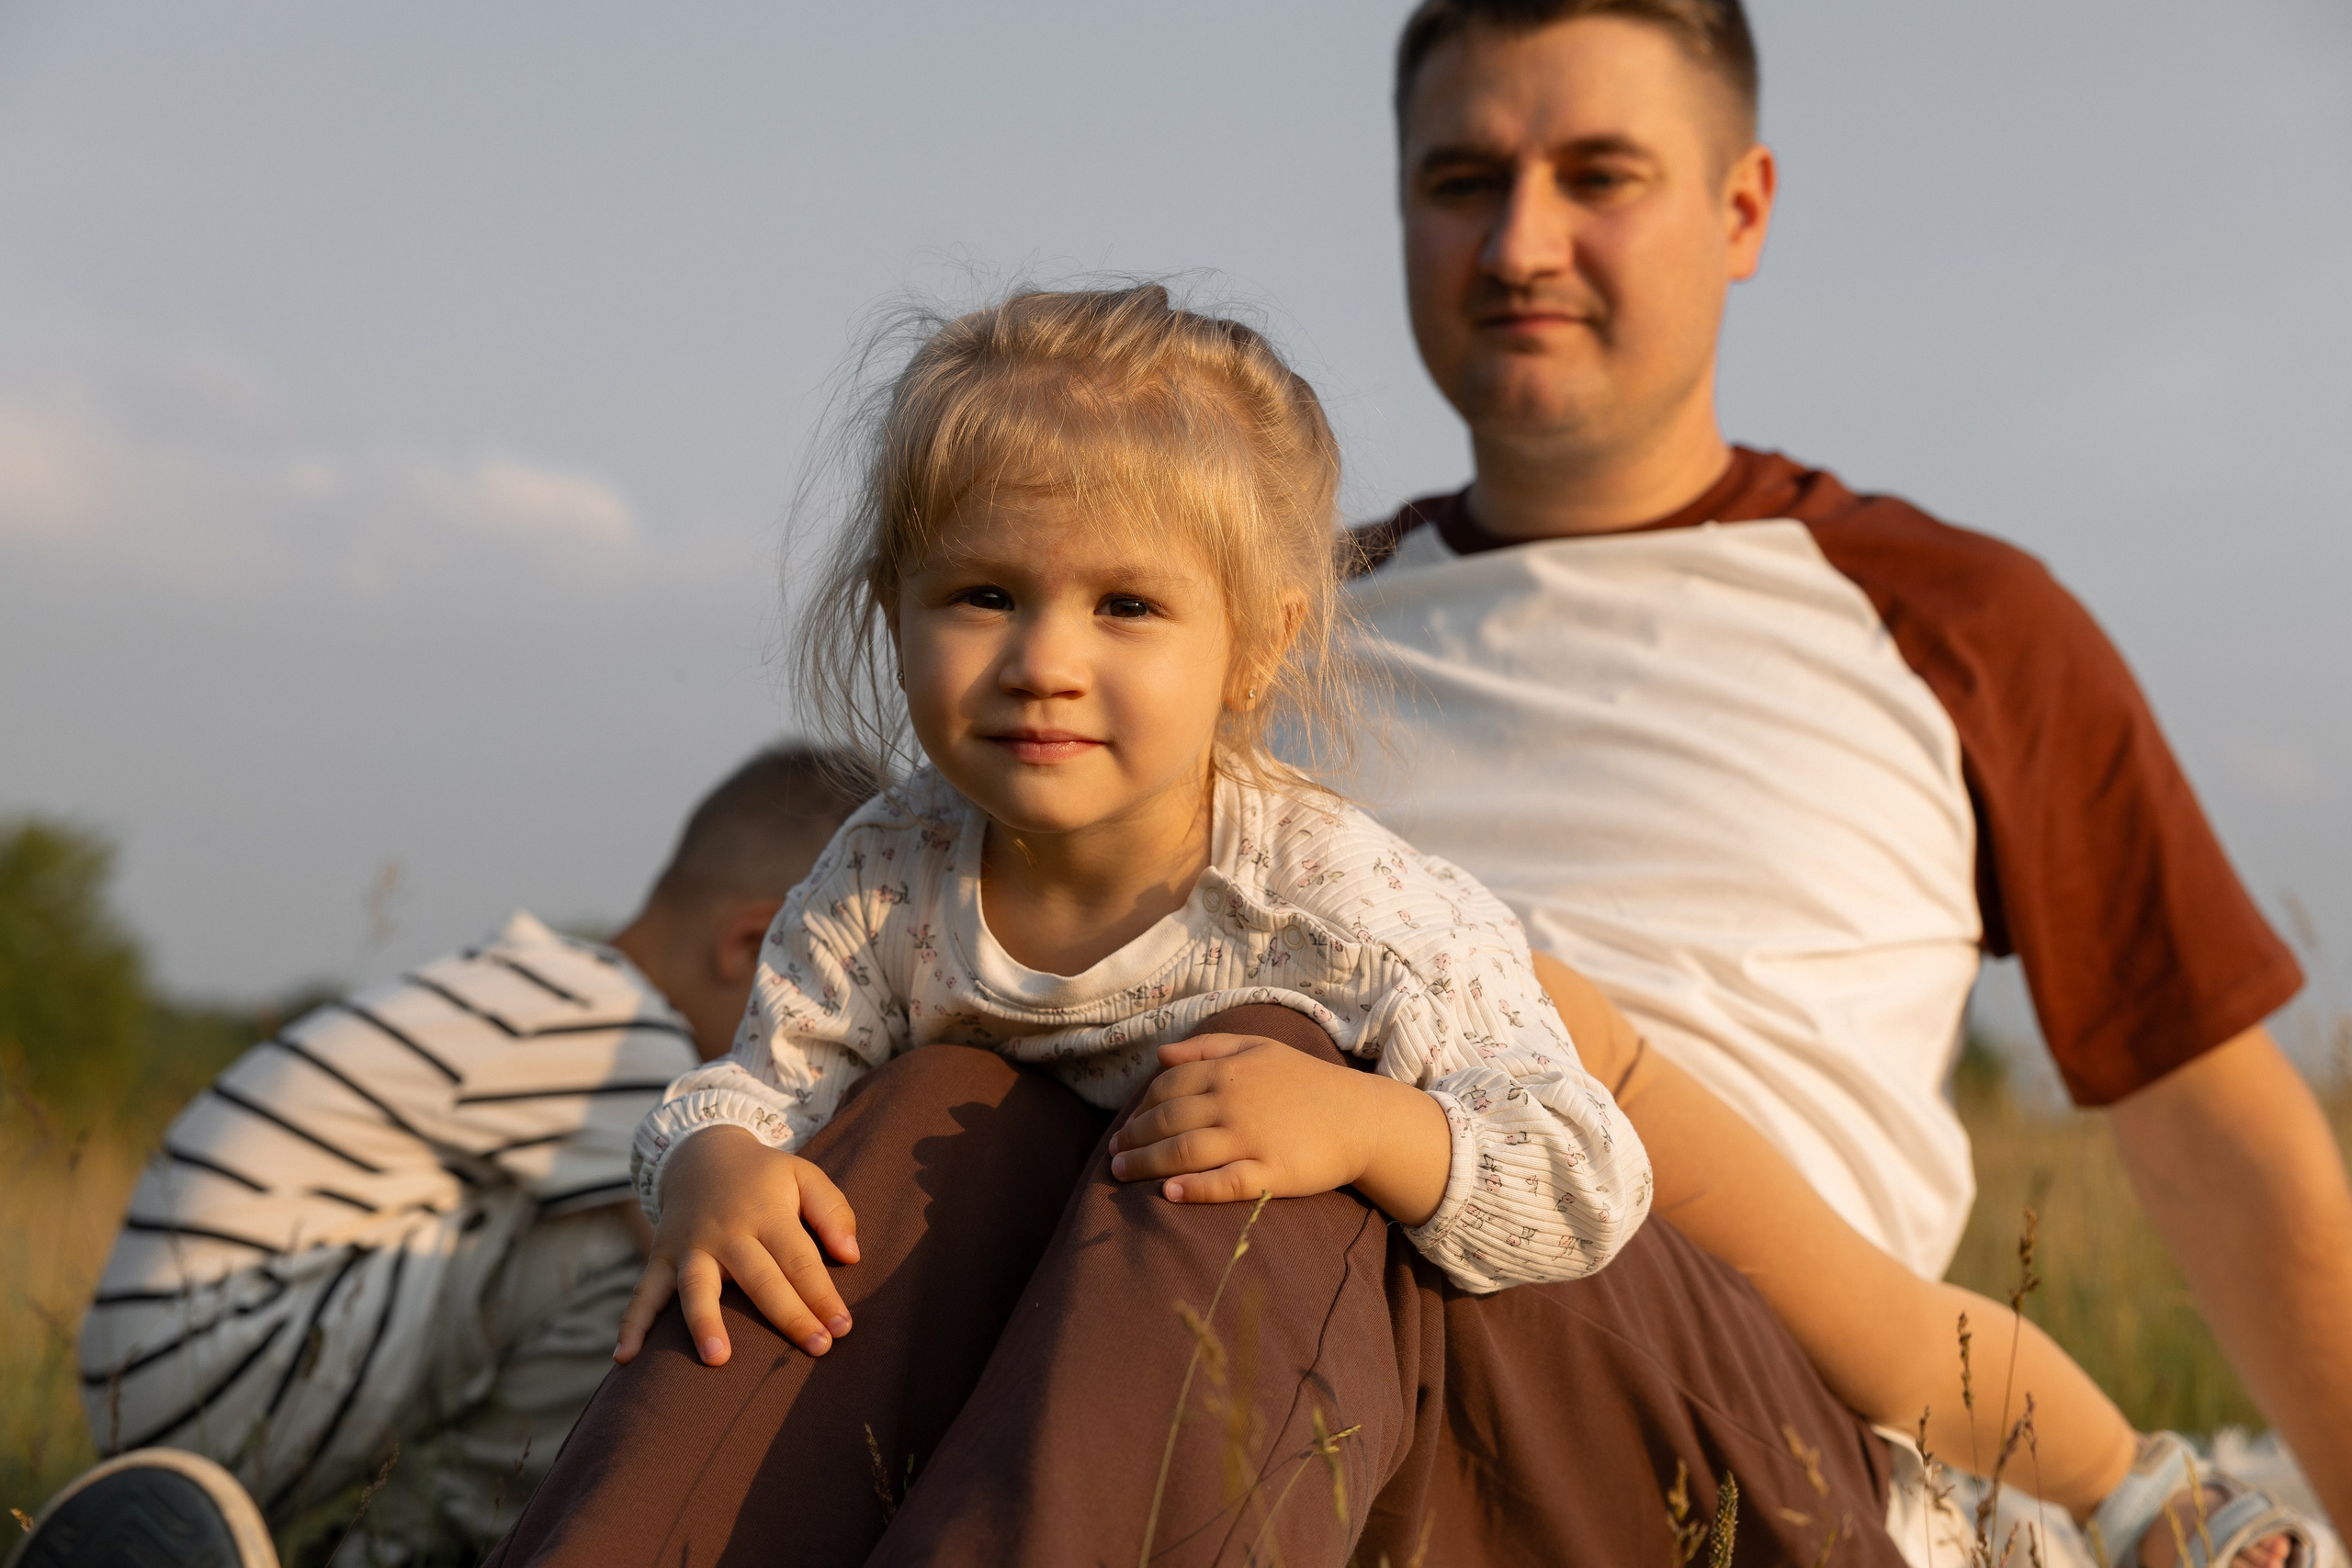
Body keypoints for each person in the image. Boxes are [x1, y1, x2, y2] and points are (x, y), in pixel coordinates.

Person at [492, 286, 2310, 1568]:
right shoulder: (900, 874)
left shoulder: (1373, 926)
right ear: (896, 615)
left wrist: (1386, 1126)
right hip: (1243, 1398)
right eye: (984, 596)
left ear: (1251, 652)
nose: (1048, 656)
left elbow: (1853, 1315)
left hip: (1669, 1411)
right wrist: (708, 1171)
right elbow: (751, 1081)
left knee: (1257, 1092)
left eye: (1126, 605)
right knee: (903, 1125)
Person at [1338, 0, 2352, 1559]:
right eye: (1462, 180)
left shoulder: (1957, 621)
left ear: (1740, 209)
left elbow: (2218, 1145)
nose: (1518, 242)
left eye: (1599, 175)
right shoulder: (1251, 628)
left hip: (1746, 1439)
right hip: (1299, 1377)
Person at [26, 746, 871, 1568]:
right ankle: (412, 1551)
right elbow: (683, 1233)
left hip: (172, 1377)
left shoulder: (539, 984)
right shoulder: (616, 1030)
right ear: (752, 945)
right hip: (223, 1362)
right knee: (658, 1266)